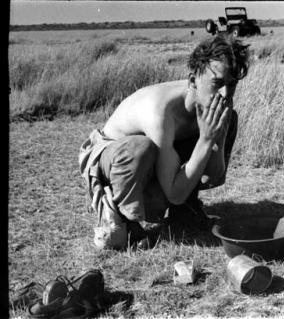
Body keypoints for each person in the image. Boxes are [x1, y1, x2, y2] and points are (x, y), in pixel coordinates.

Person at [78, 34, 250, 250]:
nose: (225, 94)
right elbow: (174, 194)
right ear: (193, 81)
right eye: (217, 83)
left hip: (154, 161)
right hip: (108, 158)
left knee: (229, 119)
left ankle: (185, 212)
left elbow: (213, 177)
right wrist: (206, 140)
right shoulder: (160, 114)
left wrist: (218, 134)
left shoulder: (211, 107)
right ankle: (118, 214)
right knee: (140, 148)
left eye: (232, 85)